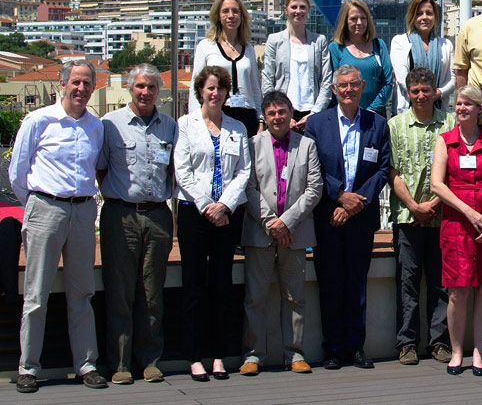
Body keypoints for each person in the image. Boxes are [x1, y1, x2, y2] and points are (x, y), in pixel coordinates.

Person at [9, 60, 107, 393]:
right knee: (36, 294)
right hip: (45, 208)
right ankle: (28, 368)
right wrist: (38, 206)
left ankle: (86, 364)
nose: (80, 89)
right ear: (61, 84)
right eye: (75, 82)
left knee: (82, 293)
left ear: (93, 88)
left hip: (82, 213)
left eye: (86, 83)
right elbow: (17, 173)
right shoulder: (38, 121)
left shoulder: (96, 127)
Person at [304, 64, 391, 370]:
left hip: (361, 216)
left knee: (357, 282)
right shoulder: (317, 124)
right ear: (334, 89)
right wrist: (340, 195)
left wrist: (355, 203)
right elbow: (312, 168)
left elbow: (382, 168)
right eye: (343, 86)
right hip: (327, 215)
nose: (349, 90)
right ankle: (333, 348)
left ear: (362, 86)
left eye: (354, 85)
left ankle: (356, 347)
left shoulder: (377, 124)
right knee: (330, 281)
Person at [97, 63, 177, 385]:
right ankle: (119, 363)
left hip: (158, 215)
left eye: (151, 87)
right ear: (131, 88)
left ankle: (150, 360)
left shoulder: (169, 126)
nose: (145, 92)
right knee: (120, 291)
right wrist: (118, 199)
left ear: (159, 90)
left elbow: (174, 169)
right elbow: (100, 169)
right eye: (140, 86)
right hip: (121, 215)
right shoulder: (110, 125)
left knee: (152, 293)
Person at [175, 65, 251, 382]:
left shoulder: (238, 128)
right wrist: (207, 206)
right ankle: (194, 356)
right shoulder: (186, 125)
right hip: (194, 213)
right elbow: (182, 170)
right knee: (194, 286)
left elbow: (244, 172)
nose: (215, 93)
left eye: (220, 88)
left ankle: (219, 355)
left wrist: (224, 206)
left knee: (221, 284)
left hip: (227, 215)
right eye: (209, 88)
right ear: (200, 91)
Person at [430, 85, 482, 376]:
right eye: (458, 103)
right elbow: (437, 185)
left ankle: (479, 352)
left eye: (468, 103)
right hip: (457, 224)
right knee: (457, 291)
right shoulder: (445, 141)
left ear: (480, 109)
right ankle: (456, 352)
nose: (461, 108)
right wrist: (469, 212)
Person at [240, 90, 323, 375]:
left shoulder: (307, 145)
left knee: (295, 297)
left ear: (291, 114)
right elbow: (248, 187)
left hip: (295, 233)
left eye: (283, 112)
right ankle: (253, 355)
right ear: (264, 116)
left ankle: (295, 353)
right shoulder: (251, 145)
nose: (278, 117)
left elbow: (314, 189)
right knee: (255, 297)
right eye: (272, 113)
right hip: (259, 233)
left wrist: (287, 222)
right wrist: (270, 223)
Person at [388, 67, 455, 366]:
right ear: (408, 93)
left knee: (442, 282)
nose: (420, 95)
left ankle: (439, 342)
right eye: (415, 91)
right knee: (408, 282)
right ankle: (407, 343)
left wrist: (435, 204)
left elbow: (456, 173)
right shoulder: (395, 125)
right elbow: (392, 172)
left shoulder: (451, 124)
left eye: (425, 90)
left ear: (435, 91)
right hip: (407, 216)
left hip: (444, 217)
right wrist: (415, 206)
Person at [189, 0, 262, 136]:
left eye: (235, 11)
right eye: (225, 11)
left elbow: (255, 89)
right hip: (217, 113)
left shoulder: (248, 49)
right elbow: (195, 85)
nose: (231, 15)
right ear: (218, 16)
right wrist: (195, 118)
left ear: (242, 16)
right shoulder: (206, 46)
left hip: (246, 115)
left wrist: (260, 120)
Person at [261, 0, 332, 133]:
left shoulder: (319, 41)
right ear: (286, 10)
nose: (298, 11)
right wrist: (279, 112)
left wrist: (315, 113)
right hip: (283, 114)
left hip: (311, 112)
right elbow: (267, 79)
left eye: (302, 7)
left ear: (308, 10)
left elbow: (326, 80)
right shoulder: (274, 40)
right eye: (294, 7)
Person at [390, 0, 455, 114]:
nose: (424, 17)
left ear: (435, 17)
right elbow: (401, 79)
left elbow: (451, 79)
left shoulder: (446, 44)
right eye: (419, 13)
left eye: (429, 13)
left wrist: (437, 94)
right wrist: (422, 95)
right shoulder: (399, 42)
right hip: (407, 110)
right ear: (412, 17)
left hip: (439, 111)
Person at [329, 0, 393, 116]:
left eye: (363, 18)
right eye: (353, 19)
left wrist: (373, 109)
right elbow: (333, 85)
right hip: (346, 114)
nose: (359, 23)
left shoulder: (379, 45)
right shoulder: (336, 48)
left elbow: (387, 82)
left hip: (375, 114)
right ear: (345, 21)